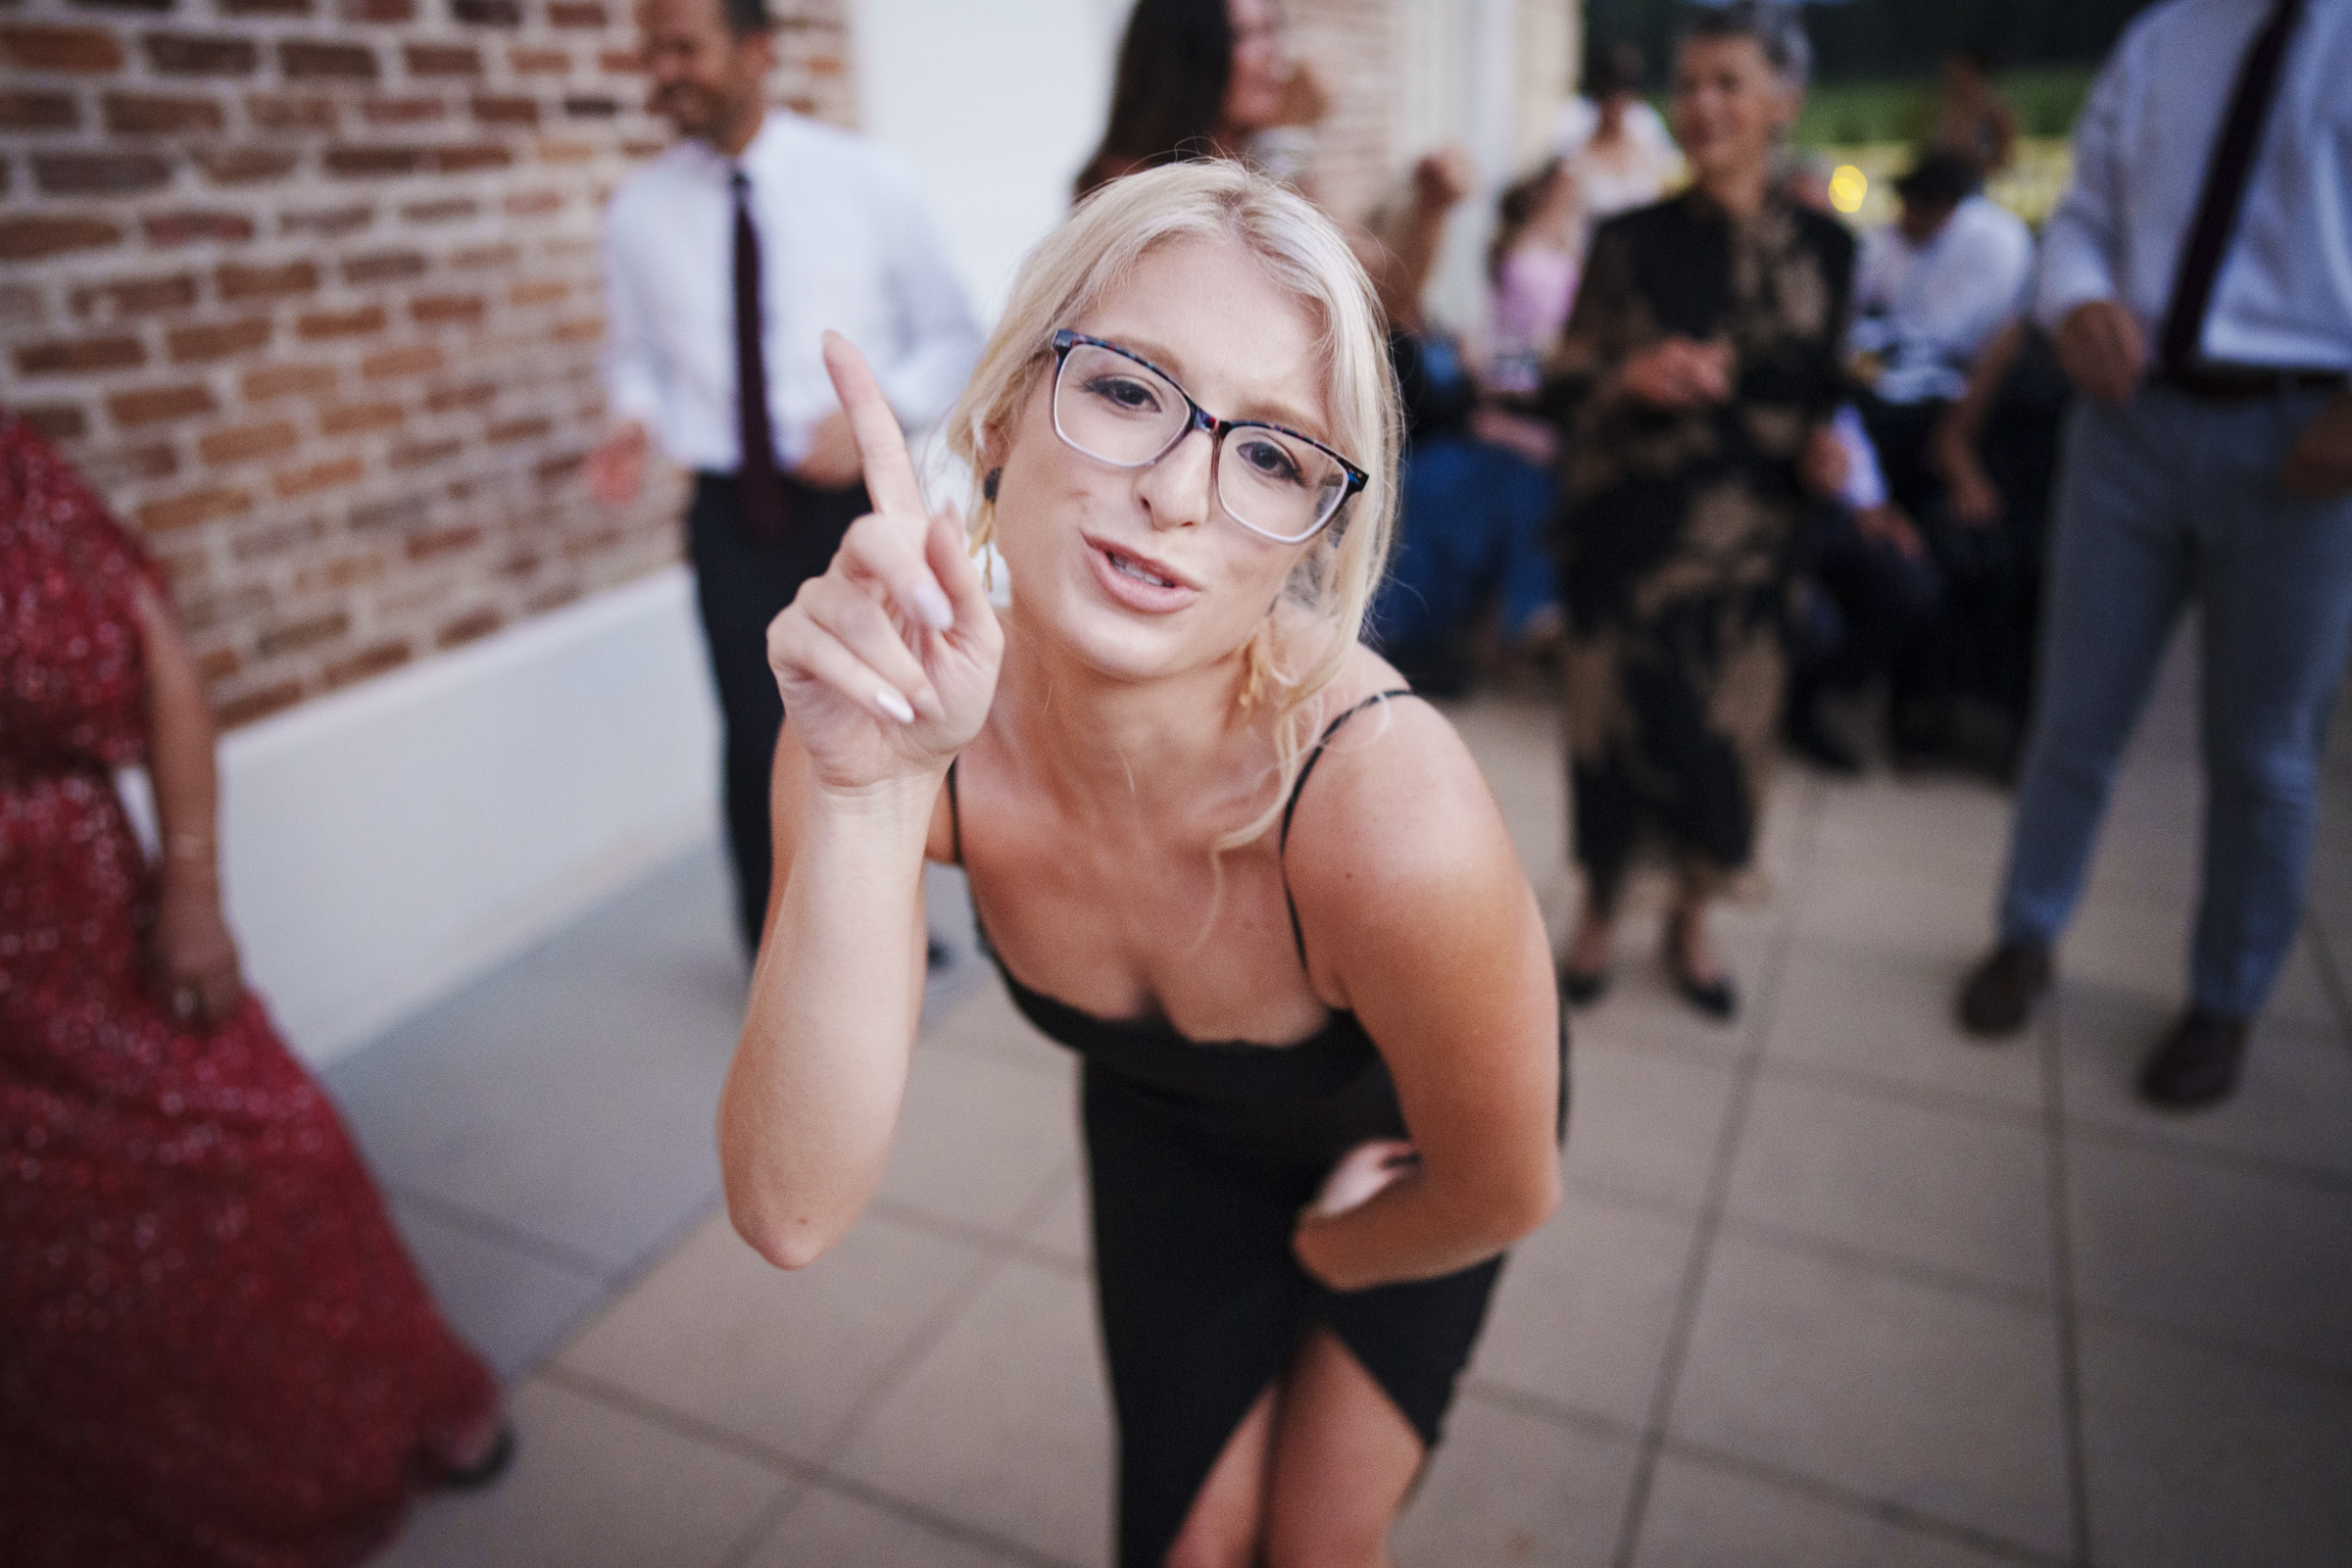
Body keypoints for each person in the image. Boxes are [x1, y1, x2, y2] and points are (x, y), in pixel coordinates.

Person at [717, 163, 1564, 1568]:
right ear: (999, 411)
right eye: (1125, 389)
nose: (1178, 490)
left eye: (1275, 456)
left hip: (1405, 1163)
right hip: (1167, 1132)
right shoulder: (897, 725)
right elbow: (786, 1209)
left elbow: (1504, 1187)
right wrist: (867, 794)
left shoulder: (1385, 813)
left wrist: (1326, 1255)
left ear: (1317, 532)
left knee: (1318, 1543)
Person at [0, 411, 509, 1564]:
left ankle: (383, 1417)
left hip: (74, 918)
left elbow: (153, 658)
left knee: (267, 1145)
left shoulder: (18, 473)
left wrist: (190, 889)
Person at [1954, 0, 2352, 1109]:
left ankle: (2227, 996)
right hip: (2131, 419)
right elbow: (2085, 215)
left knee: (2266, 753)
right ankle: (2026, 933)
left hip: (2307, 430)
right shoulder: (2169, 36)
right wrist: (2077, 296)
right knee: (2074, 712)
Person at [588, 0, 981, 956]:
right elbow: (632, 354)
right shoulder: (636, 211)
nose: (664, 70)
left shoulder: (868, 181)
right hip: (731, 510)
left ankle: (885, 933)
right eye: (654, 51)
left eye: (686, 47)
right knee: (753, 722)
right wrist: (634, 414)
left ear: (757, 51)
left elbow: (956, 337)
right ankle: (779, 941)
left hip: (855, 506)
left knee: (883, 711)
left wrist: (869, 415)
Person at [1544, 0, 1854, 1018]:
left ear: (1782, 103)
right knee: (1610, 731)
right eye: (1691, 84)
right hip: (1628, 531)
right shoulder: (1628, 238)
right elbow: (1564, 378)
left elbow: (1823, 395)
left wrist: (1826, 454)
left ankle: (1690, 918)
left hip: (1751, 548)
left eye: (1729, 83)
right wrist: (1630, 377)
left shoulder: (1828, 249)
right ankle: (1598, 912)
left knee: (1723, 744)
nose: (1704, 104)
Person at [1075, 0, 1330, 200]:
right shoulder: (1131, 191)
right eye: (1243, 34)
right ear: (1186, 55)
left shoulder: (1243, 167)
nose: (1272, 53)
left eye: (1270, 32)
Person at [1551, 41, 1684, 226]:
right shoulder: (1573, 157)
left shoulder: (1651, 146)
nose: (1616, 102)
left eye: (1624, 92)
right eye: (1607, 92)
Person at [1927, 43, 2019, 178]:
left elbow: (2006, 156)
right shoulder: (1952, 105)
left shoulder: (1993, 107)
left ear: (1972, 70)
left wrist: (1971, 159)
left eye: (1957, 70)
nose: (1950, 76)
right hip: (1949, 180)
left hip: (1976, 181)